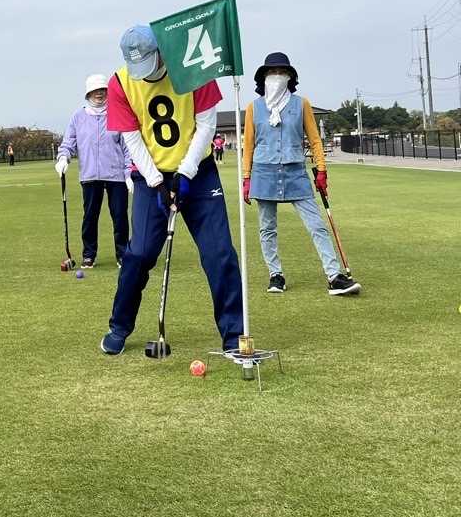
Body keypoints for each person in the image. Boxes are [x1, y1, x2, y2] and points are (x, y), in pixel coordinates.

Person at [100, 25, 243, 355]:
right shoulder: (120, 83)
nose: (145, 75)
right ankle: (119, 326)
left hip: (199, 172)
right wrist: (157, 182)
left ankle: (235, 336)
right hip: (151, 176)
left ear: (162, 50)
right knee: (139, 254)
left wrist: (185, 173)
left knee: (220, 254)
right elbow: (132, 139)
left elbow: (207, 124)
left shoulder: (194, 69)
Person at [242, 52, 360, 296]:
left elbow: (315, 139)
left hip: (296, 171)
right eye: (272, 73)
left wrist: (322, 169)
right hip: (264, 171)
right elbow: (249, 145)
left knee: (317, 225)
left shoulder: (301, 103)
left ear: (290, 76)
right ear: (264, 77)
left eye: (281, 72)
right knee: (267, 228)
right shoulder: (254, 107)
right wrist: (246, 177)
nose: (277, 76)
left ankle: (334, 276)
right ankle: (276, 275)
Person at [55, 74, 133, 268]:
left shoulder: (118, 113)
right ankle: (89, 254)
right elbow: (68, 143)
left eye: (103, 90)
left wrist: (129, 172)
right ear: (88, 93)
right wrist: (63, 157)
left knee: (119, 216)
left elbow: (127, 147)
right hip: (90, 175)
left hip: (116, 175)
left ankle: (122, 253)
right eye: (95, 90)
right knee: (90, 216)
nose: (99, 93)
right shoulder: (78, 117)